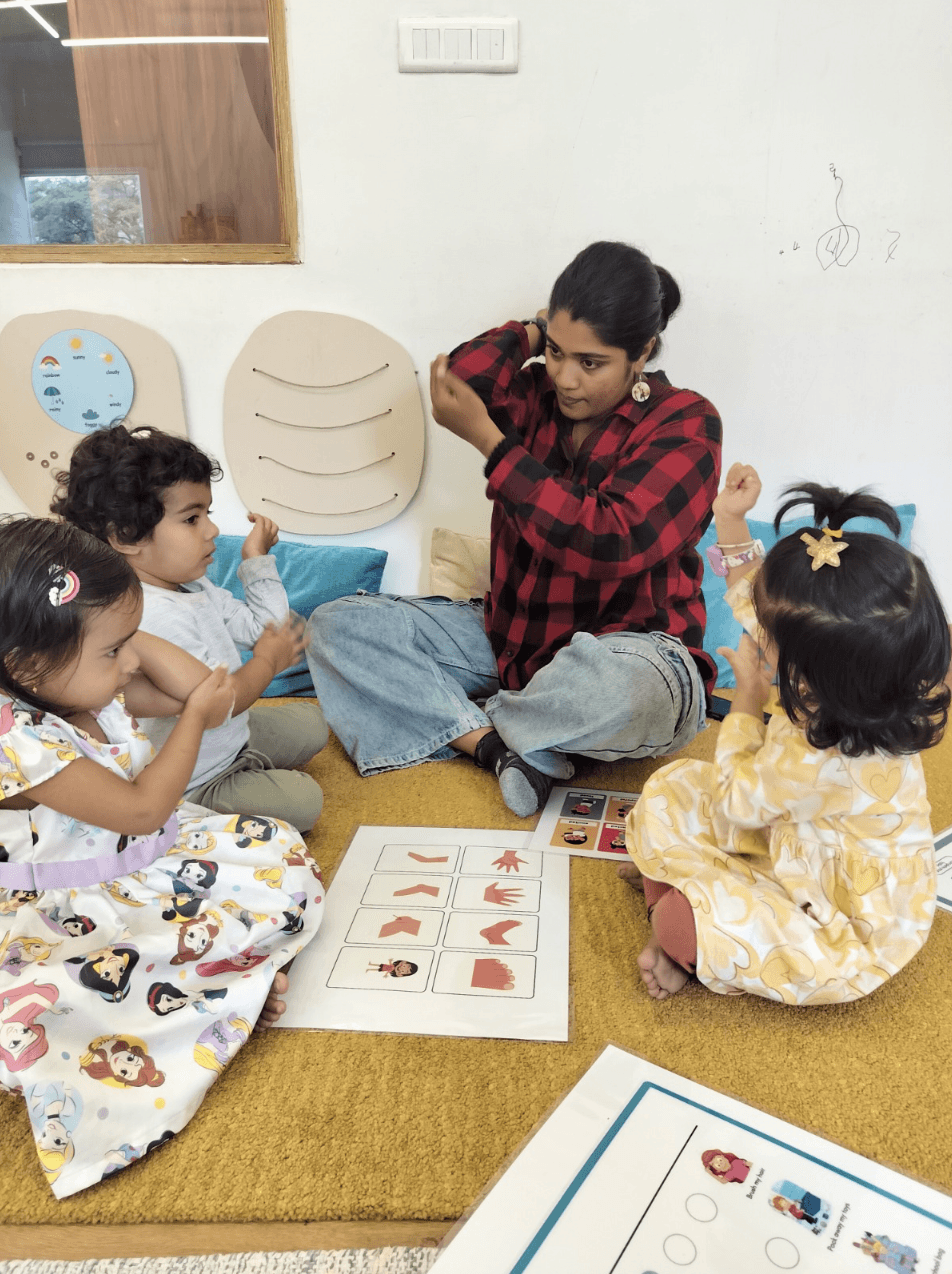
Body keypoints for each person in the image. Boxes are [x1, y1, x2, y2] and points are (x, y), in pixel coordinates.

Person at [306, 241, 722, 815]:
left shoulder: (686, 421)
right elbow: (458, 381)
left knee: (627, 692)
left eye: (591, 363)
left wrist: (493, 445)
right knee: (338, 626)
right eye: (556, 353)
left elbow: (610, 539)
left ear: (642, 351)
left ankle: (476, 719)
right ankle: (500, 747)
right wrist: (534, 329)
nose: (566, 378)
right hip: (515, 649)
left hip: (632, 655)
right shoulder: (535, 396)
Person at [0, 518, 324, 1197]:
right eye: (114, 651)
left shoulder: (77, 686)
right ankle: (232, 991)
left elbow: (193, 688)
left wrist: (119, 632)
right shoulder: (20, 741)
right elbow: (145, 808)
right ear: (28, 666)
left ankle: (229, 989)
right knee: (81, 1004)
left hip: (142, 867)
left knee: (277, 860)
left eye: (128, 645)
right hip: (69, 906)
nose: (130, 663)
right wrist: (193, 719)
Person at [620, 464, 950, 1004]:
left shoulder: (818, 758)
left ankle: (679, 927)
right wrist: (730, 520)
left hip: (839, 917)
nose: (756, 636)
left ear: (812, 672)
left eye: (768, 640)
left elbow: (737, 801)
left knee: (681, 921)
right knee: (671, 788)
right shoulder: (864, 685)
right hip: (792, 837)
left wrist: (748, 703)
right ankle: (683, 901)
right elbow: (759, 602)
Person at [51, 424, 327, 832]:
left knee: (313, 724)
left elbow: (266, 629)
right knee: (305, 801)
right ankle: (199, 804)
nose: (212, 530)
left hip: (230, 737)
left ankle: (248, 762)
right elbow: (217, 704)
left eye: (207, 514)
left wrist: (255, 560)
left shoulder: (192, 585)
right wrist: (268, 662)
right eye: (192, 518)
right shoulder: (147, 614)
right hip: (195, 774)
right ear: (126, 537)